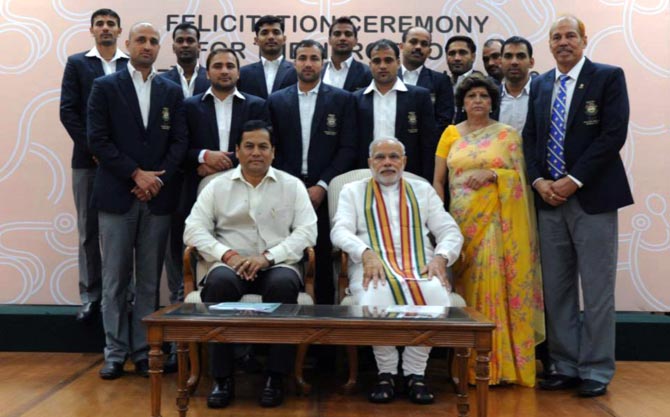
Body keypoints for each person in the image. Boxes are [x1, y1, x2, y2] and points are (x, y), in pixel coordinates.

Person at [523, 15, 633, 397]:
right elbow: (531, 138)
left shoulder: (608, 77)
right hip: (549, 201)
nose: (564, 42)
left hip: (592, 197)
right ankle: (565, 365)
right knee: (557, 290)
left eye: (571, 36)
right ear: (549, 45)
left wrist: (573, 180)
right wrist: (539, 182)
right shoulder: (539, 84)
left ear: (584, 40)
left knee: (598, 289)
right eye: (557, 37)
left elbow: (612, 134)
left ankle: (597, 370)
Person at [183, 120, 317, 408]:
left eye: (263, 147)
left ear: (273, 152)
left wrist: (268, 257)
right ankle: (222, 378)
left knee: (283, 286)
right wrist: (227, 255)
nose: (256, 152)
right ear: (237, 151)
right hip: (230, 265)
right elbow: (193, 229)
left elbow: (308, 231)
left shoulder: (291, 185)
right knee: (217, 286)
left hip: (276, 263)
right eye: (249, 146)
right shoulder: (216, 186)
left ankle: (275, 377)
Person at [87, 22, 187, 380]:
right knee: (114, 280)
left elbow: (180, 142)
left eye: (153, 41)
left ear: (160, 48)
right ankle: (114, 353)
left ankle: (144, 351)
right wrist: (135, 174)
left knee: (148, 281)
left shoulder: (170, 90)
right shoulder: (104, 87)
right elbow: (97, 140)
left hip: (157, 198)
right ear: (127, 44)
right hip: (117, 196)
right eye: (141, 40)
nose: (147, 46)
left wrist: (155, 180)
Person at [331, 137, 463, 404]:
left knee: (435, 295)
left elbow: (449, 230)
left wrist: (441, 258)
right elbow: (340, 230)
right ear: (370, 163)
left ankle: (416, 373)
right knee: (375, 296)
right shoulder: (352, 191)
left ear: (404, 161)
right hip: (374, 268)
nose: (387, 162)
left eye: (394, 156)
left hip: (420, 267)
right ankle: (386, 372)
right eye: (380, 157)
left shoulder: (422, 190)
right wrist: (364, 253)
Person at [433, 74, 545, 386]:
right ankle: (467, 367)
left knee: (494, 283)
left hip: (496, 224)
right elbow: (439, 181)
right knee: (466, 290)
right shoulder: (450, 134)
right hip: (460, 223)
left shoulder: (508, 135)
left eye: (483, 96)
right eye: (471, 96)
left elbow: (519, 179)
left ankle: (499, 366)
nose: (478, 101)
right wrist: (438, 220)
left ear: (492, 101)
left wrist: (494, 174)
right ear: (463, 102)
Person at [268, 39, 357, 304]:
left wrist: (322, 185)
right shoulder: (276, 101)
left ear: (323, 63)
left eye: (314, 58)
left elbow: (348, 147)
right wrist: (294, 186)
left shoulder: (342, 100)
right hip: (286, 189)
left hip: (325, 191)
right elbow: (272, 148)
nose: (308, 64)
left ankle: (324, 334)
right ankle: (286, 328)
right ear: (294, 62)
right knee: (285, 254)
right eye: (302, 58)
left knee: (323, 254)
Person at [59, 8, 128, 322]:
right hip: (87, 162)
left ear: (119, 30)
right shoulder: (77, 64)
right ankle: (91, 296)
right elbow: (68, 111)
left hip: (125, 164)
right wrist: (95, 149)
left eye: (110, 24)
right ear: (91, 30)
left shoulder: (130, 65)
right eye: (99, 24)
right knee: (88, 231)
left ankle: (124, 297)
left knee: (123, 234)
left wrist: (117, 156)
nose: (105, 28)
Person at [355, 39, 436, 181]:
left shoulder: (419, 97)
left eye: (388, 60)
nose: (382, 66)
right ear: (370, 65)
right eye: (376, 61)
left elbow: (428, 144)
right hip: (365, 176)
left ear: (398, 63)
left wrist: (427, 180)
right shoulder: (356, 99)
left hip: (409, 176)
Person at [398, 26, 454, 136]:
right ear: (401, 46)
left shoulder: (441, 81)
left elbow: (443, 121)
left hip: (426, 148)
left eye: (424, 44)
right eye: (413, 42)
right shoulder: (388, 78)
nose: (418, 47)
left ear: (429, 51)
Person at [237, 15, 297, 99]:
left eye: (276, 32)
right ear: (256, 40)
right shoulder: (242, 74)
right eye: (264, 33)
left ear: (284, 39)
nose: (271, 37)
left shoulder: (296, 71)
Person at [321, 16, 372, 92]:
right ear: (329, 40)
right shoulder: (318, 71)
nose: (342, 38)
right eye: (337, 34)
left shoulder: (367, 73)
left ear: (355, 41)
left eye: (348, 34)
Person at [160, 22, 209, 99]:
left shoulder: (212, 78)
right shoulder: (162, 80)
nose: (185, 45)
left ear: (199, 47)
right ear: (173, 48)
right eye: (180, 41)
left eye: (190, 40)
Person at [497, 36, 535, 133]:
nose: (514, 62)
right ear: (500, 62)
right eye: (508, 56)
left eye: (521, 56)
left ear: (531, 62)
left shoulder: (543, 95)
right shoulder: (492, 97)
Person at [445, 35, 479, 123]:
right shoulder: (441, 83)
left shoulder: (484, 84)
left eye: (462, 53)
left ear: (473, 57)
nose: (457, 58)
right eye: (452, 53)